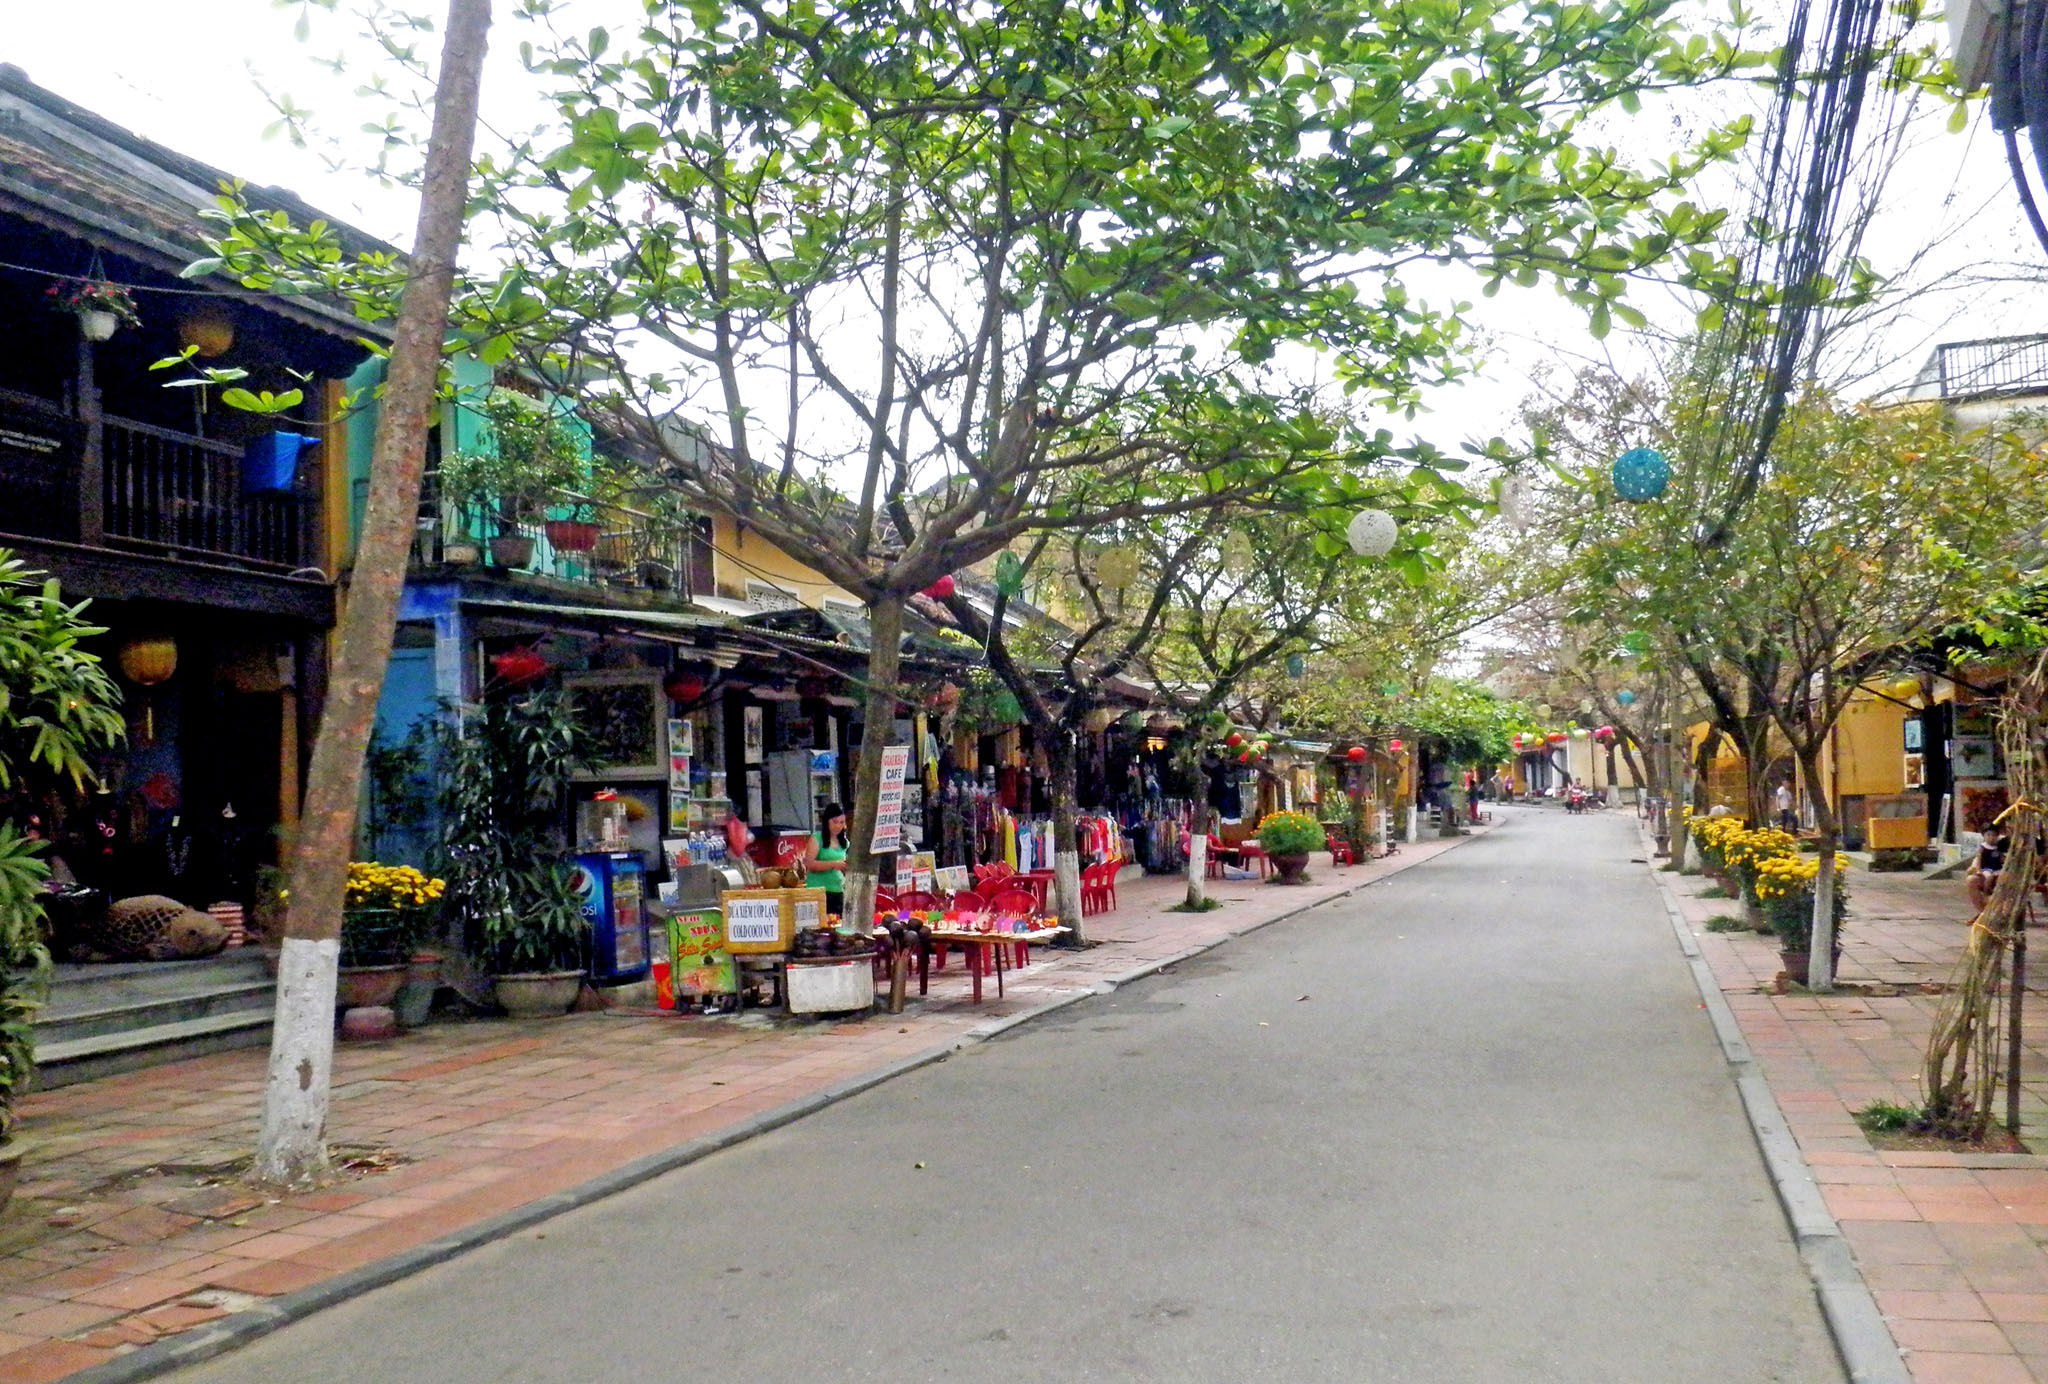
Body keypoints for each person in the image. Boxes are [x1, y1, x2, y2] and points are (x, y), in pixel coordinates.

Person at [800, 803, 849, 918]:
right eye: (835, 822)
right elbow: (809, 864)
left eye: (841, 822)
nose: (838, 826)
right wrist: (833, 864)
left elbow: (843, 866)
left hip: (838, 890)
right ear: (827, 822)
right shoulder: (817, 838)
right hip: (818, 892)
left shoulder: (844, 843)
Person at [1968, 823, 2008, 913]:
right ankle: (1986, 893)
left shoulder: (1999, 847)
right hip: (1987, 869)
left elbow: (2003, 859)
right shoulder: (1983, 847)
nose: (1991, 837)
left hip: (1997, 869)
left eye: (1994, 835)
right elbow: (1978, 859)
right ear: (1984, 836)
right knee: (1987, 877)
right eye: (1988, 835)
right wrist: (1977, 869)